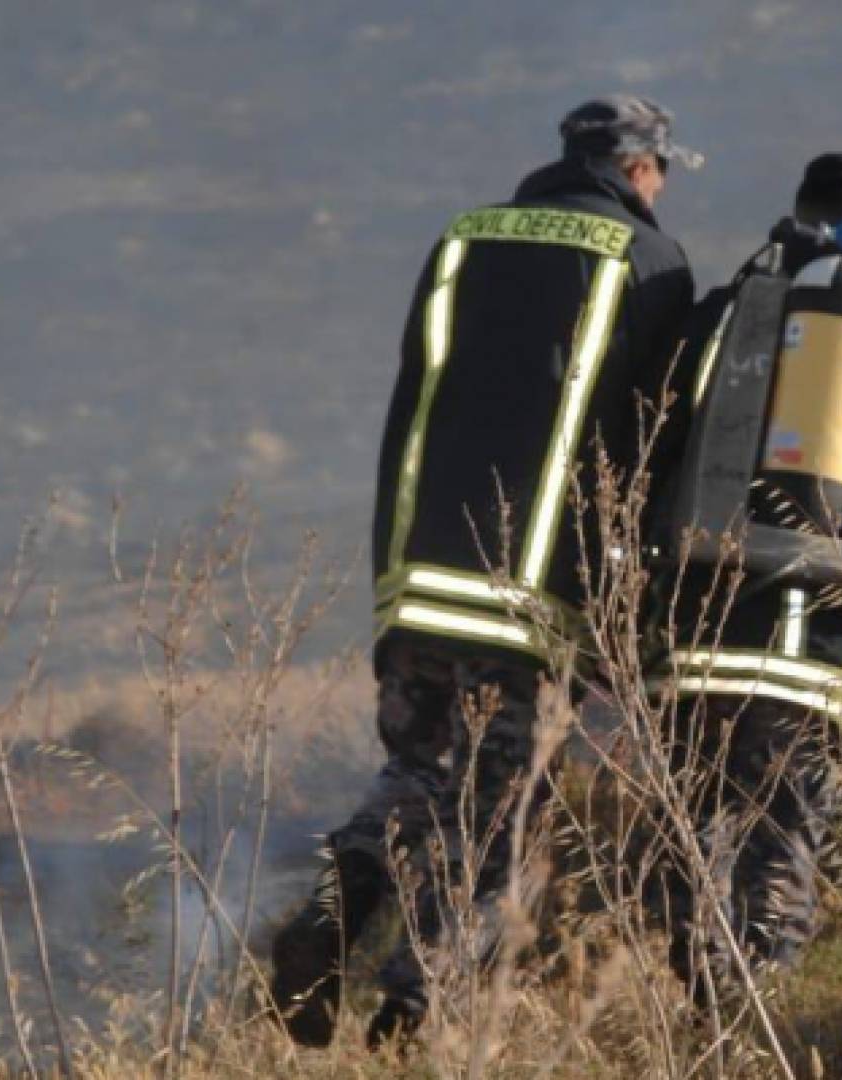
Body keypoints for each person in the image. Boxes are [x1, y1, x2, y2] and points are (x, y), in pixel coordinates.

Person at [269, 94, 699, 1048]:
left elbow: (420, 390)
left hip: (421, 580)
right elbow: (654, 441)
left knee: (421, 769)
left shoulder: (463, 238)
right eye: (663, 171)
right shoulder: (649, 261)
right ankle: (416, 1004)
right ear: (639, 168)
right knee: (500, 808)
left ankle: (338, 905)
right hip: (532, 596)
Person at [647, 152, 842, 1007]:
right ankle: (752, 1027)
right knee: (781, 853)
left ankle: (703, 993)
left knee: (686, 839)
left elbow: (655, 452)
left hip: (702, 639)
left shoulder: (723, 316)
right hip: (821, 659)